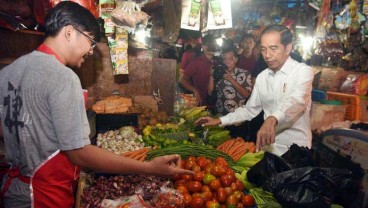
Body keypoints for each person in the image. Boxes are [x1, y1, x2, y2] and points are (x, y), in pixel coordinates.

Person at [0, 2, 192, 207]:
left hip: (13, 190)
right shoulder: (63, 77)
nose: (91, 50)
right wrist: (149, 167)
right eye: (91, 41)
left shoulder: (9, 71)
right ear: (69, 32)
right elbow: (80, 152)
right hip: (44, 196)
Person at [196, 24, 314, 156]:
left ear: (288, 48)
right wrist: (220, 120)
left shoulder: (303, 71)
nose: (267, 55)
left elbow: (298, 101)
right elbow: (249, 110)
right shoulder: (263, 77)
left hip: (297, 151)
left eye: (273, 48)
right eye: (263, 49)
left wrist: (273, 118)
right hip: (269, 149)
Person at [208, 48, 252, 139]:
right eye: (225, 59)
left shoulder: (244, 74)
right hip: (220, 117)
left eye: (230, 59)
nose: (227, 62)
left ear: (236, 60)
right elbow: (209, 92)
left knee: (237, 147)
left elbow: (247, 94)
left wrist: (231, 79)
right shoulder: (219, 73)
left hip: (237, 120)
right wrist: (212, 75)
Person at [179, 34, 217, 106]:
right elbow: (182, 80)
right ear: (203, 46)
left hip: (219, 102)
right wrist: (195, 90)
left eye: (213, 44)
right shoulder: (197, 62)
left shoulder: (219, 61)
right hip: (203, 102)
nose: (212, 47)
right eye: (209, 44)